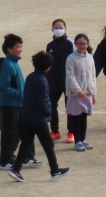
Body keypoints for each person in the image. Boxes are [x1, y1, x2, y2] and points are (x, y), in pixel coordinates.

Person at [7, 51, 71, 182]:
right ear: (48, 66)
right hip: (38, 118)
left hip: (27, 116)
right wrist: (48, 113)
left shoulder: (31, 77)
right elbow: (44, 101)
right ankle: (54, 170)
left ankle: (16, 169)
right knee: (48, 144)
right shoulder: (43, 80)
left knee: (26, 143)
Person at [0, 33, 37, 170]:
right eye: (18, 47)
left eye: (21, 46)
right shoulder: (8, 64)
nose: (20, 49)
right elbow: (3, 87)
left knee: (21, 131)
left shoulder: (13, 63)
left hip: (18, 103)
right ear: (9, 49)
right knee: (9, 133)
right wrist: (20, 94)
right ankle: (5, 160)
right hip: (10, 105)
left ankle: (24, 157)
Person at [65, 33, 96, 152]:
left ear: (87, 44)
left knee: (84, 117)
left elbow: (92, 75)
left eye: (84, 44)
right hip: (76, 93)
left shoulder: (90, 57)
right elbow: (70, 75)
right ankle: (77, 141)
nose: (82, 46)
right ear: (75, 44)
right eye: (79, 44)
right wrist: (78, 90)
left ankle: (83, 139)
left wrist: (93, 92)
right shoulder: (71, 58)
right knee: (76, 117)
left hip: (87, 92)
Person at [46, 18, 75, 143]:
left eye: (61, 27)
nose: (58, 30)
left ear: (65, 28)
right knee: (51, 105)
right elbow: (47, 64)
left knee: (70, 107)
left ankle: (72, 132)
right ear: (52, 29)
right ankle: (55, 131)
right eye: (56, 28)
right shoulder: (50, 45)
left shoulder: (70, 43)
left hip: (68, 81)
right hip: (54, 81)